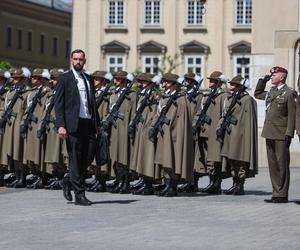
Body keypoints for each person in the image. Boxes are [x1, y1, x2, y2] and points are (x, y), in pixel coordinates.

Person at [55, 49, 100, 206]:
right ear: (71, 60)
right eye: (75, 59)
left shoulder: (88, 78)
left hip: (88, 123)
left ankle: (68, 180)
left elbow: (92, 103)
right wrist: (61, 125)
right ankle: (79, 195)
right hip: (73, 125)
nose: (78, 61)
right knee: (75, 159)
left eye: (80, 59)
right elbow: (58, 104)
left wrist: (97, 124)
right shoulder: (65, 79)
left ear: (84, 61)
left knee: (87, 157)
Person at [255, 66, 296, 203]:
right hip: (269, 132)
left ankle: (282, 194)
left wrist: (289, 133)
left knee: (282, 165)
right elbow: (257, 93)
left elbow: (292, 115)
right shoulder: (271, 91)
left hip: (281, 134)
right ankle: (276, 193)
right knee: (273, 165)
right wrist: (263, 80)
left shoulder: (289, 93)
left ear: (282, 77)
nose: (271, 77)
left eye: (274, 75)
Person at [151, 73, 194, 197]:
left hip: (174, 135)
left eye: (167, 82)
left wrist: (173, 131)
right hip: (164, 133)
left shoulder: (181, 99)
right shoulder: (165, 97)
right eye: (164, 81)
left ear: (175, 84)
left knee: (173, 159)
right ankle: (167, 184)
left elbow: (181, 120)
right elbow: (159, 113)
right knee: (165, 160)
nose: (164, 84)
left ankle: (172, 187)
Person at [219, 75, 258, 195]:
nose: (231, 86)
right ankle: (235, 183)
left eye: (234, 84)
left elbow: (248, 120)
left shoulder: (247, 99)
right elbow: (224, 114)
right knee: (231, 160)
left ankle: (240, 185)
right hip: (229, 133)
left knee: (240, 160)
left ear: (240, 86)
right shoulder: (230, 98)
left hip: (240, 135)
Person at [197, 71, 229, 194]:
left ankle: (216, 184)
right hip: (205, 131)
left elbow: (224, 113)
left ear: (219, 83)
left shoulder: (224, 96)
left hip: (216, 132)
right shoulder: (207, 95)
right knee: (208, 158)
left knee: (215, 159)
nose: (209, 82)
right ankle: (212, 182)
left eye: (212, 80)